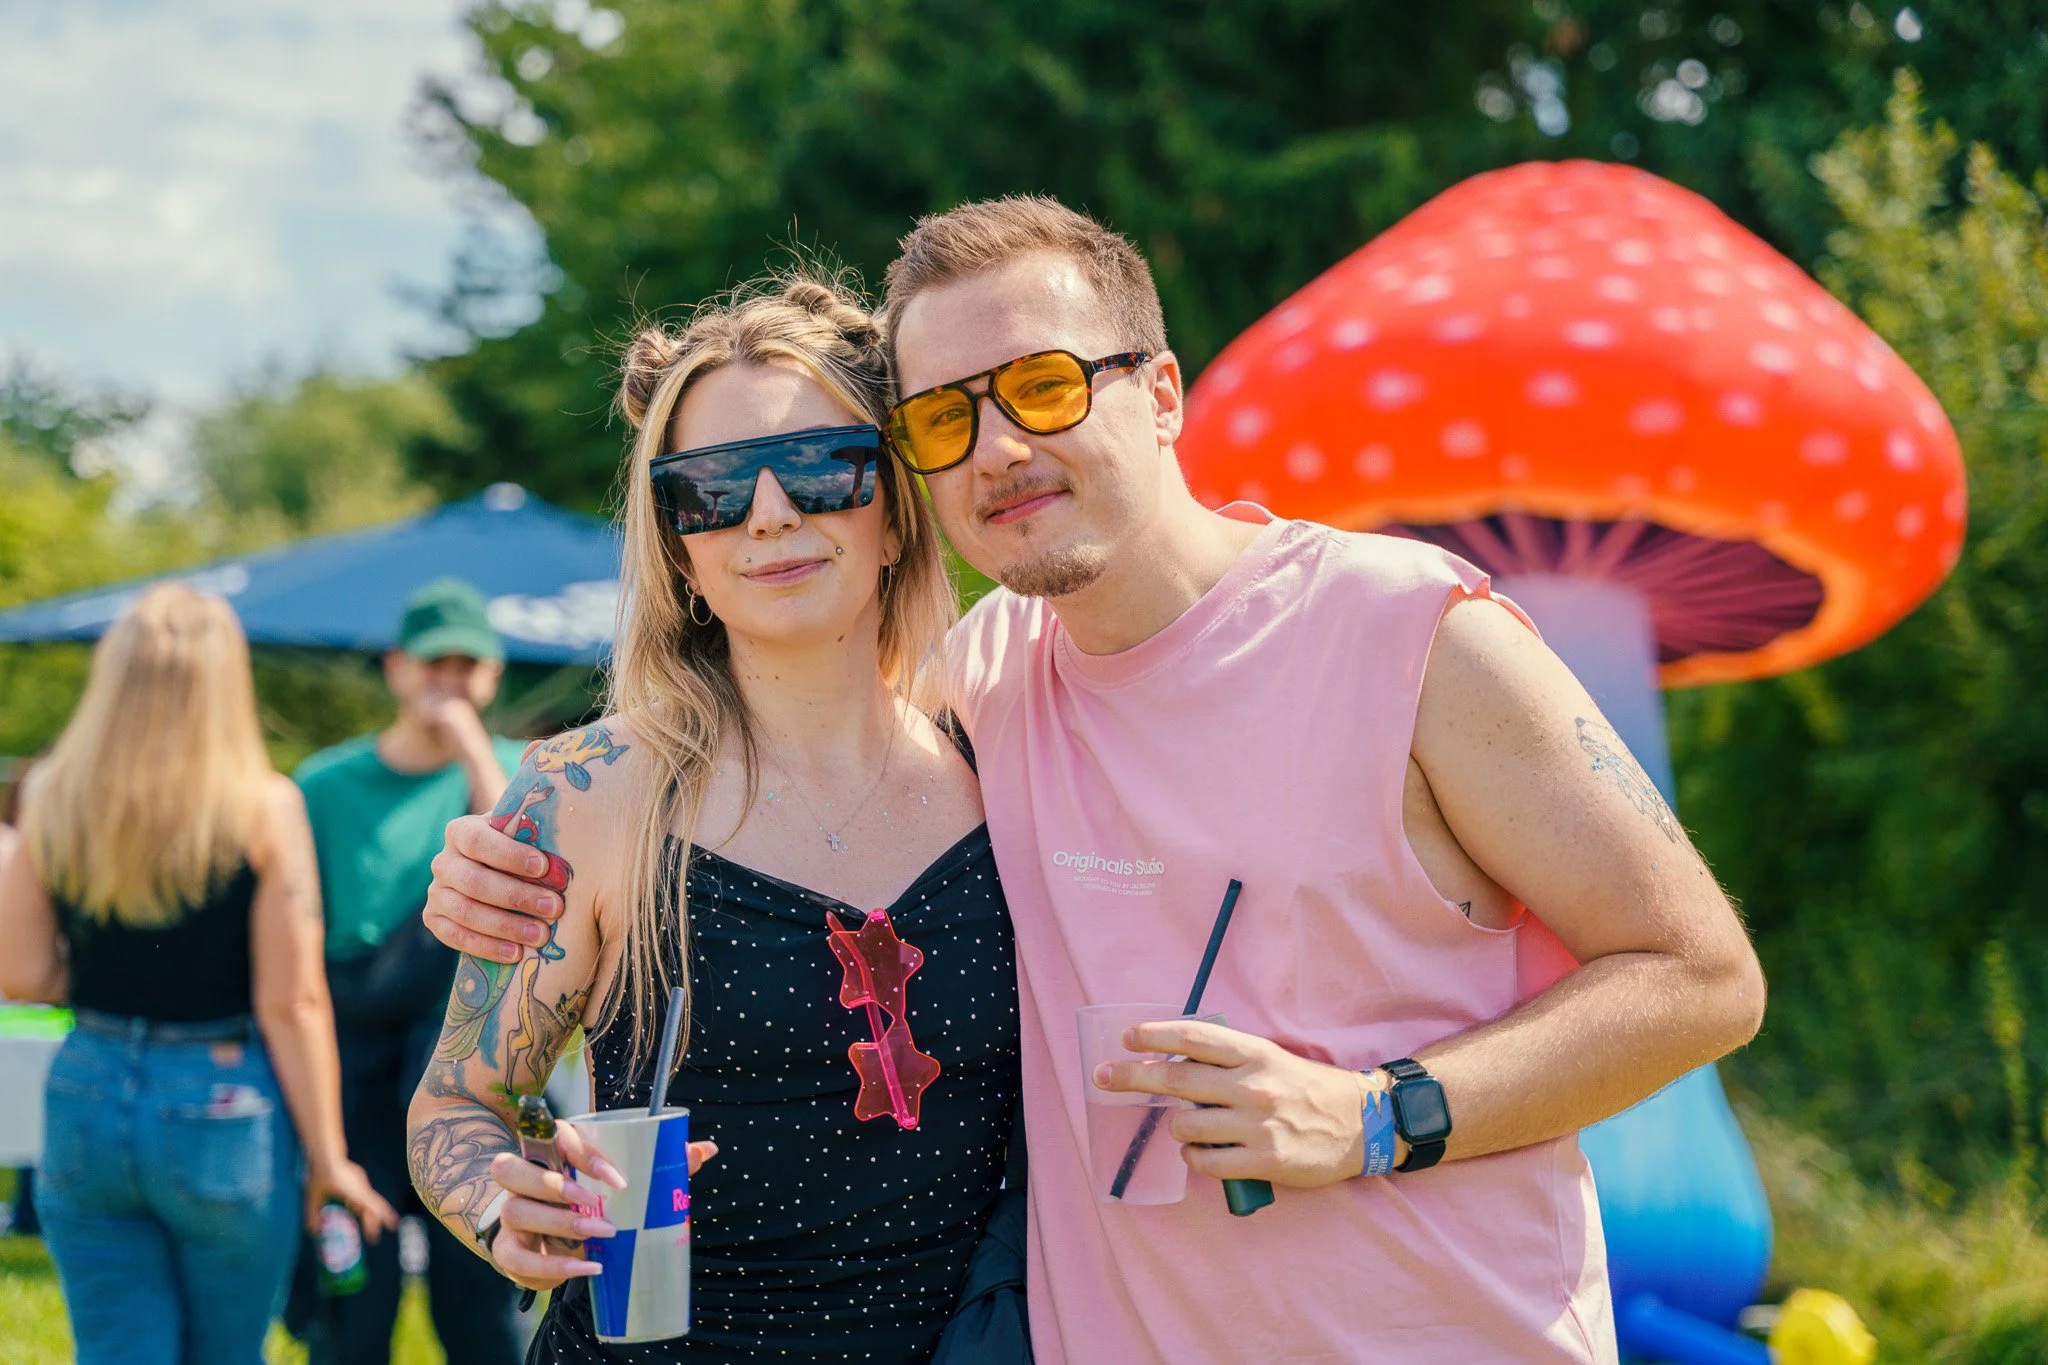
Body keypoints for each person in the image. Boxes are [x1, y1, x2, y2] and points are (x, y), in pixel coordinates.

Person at [426, 198, 1769, 1364]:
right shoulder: (989, 689)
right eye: (948, 417)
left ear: (1166, 390)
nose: (1001, 446)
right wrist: (489, 875)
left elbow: (1701, 975)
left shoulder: (1412, 633)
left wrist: (1374, 1115)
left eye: (1048, 386)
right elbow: (744, 764)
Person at [405, 275, 1022, 1363]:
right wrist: (510, 1215)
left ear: (896, 511)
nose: (772, 513)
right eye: (714, 489)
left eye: (826, 469)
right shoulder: (588, 795)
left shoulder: (1008, 762)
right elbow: (454, 1105)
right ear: (678, 548)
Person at [0, 583, 396, 1364]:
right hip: (221, 1104)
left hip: (87, 1087)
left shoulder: (52, 792)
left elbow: (20, 972)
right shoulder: (263, 805)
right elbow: (293, 1001)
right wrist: (329, 1156)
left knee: (117, 1350)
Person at [288, 578, 530, 1365]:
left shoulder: (524, 770)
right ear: (396, 667)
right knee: (354, 1298)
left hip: (468, 1058)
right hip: (354, 1069)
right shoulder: (322, 785)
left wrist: (468, 747)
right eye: (434, 663)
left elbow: (524, 871)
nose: (449, 681)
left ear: (493, 674)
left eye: (468, 664)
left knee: (480, 1298)